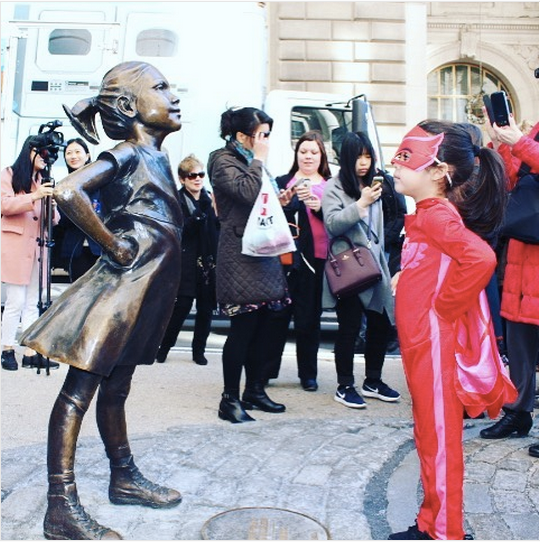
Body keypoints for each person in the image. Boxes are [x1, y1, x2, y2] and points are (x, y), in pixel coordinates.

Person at [19, 61, 184, 540]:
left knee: (117, 386)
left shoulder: (157, 157)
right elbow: (68, 191)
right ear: (131, 106)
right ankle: (61, 504)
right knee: (79, 391)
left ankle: (124, 477)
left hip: (146, 288)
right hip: (120, 288)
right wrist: (114, 245)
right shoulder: (128, 153)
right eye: (161, 87)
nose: (173, 96)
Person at [388, 121, 517, 540]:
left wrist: (442, 308)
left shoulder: (439, 214)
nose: (395, 163)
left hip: (433, 343)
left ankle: (443, 531)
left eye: (407, 157)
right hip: (424, 342)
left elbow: (480, 259)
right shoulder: (430, 213)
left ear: (439, 170)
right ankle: (433, 521)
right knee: (430, 432)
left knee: (438, 436)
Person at [207, 106, 289, 423]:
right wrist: (259, 159)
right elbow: (247, 191)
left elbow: (262, 197)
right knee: (242, 328)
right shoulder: (222, 159)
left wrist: (282, 199)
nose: (266, 140)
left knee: (265, 326)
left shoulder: (250, 160)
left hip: (262, 251)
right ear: (242, 136)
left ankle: (254, 390)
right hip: (239, 253)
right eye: (261, 134)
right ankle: (229, 399)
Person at [322, 131, 400, 409]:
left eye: (368, 156)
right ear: (347, 157)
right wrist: (361, 204)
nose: (364, 162)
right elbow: (331, 224)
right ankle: (345, 385)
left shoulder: (376, 184)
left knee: (380, 324)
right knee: (349, 327)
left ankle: (373, 380)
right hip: (349, 267)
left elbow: (388, 223)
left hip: (375, 265)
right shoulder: (335, 186)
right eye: (358, 156)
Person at [480, 111, 538, 459]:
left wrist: (521, 143)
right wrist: (502, 142)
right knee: (519, 341)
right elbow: (508, 181)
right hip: (522, 255)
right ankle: (517, 411)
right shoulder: (533, 131)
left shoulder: (529, 137)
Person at [263, 130, 332, 391]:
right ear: (296, 154)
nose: (308, 156)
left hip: (315, 260)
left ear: (321, 155)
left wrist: (318, 206)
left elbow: (338, 222)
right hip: (283, 259)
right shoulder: (282, 181)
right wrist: (283, 203)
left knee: (309, 320)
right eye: (303, 151)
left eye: (314, 152)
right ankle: (267, 370)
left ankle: (308, 375)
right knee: (276, 317)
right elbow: (267, 217)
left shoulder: (330, 185)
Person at [1, 136, 61, 371]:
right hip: (16, 246)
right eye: (43, 154)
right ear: (31, 152)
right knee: (15, 300)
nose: (47, 160)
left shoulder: (42, 180)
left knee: (33, 303)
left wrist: (53, 206)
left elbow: (53, 221)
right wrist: (34, 197)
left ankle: (29, 350)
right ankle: (6, 348)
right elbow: (4, 205)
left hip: (39, 246)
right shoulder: (8, 174)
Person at [156, 154, 219, 365]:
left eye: (201, 175)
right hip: (185, 263)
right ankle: (164, 347)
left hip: (207, 263)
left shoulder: (209, 200)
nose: (198, 179)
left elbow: (216, 230)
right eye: (192, 176)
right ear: (183, 179)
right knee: (180, 308)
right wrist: (198, 216)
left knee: (206, 310)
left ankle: (198, 351)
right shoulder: (177, 201)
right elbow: (180, 230)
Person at [53, 138, 102, 281]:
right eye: (68, 153)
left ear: (87, 156)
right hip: (75, 248)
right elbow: (60, 220)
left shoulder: (101, 183)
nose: (73, 156)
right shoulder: (62, 186)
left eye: (77, 152)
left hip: (99, 248)